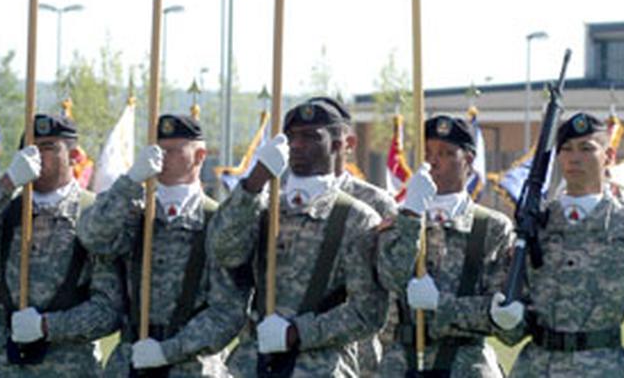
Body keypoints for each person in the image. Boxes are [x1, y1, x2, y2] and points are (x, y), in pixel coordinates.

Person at [490, 112, 624, 377]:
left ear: (609, 157)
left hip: (605, 368)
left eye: (586, 148)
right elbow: (511, 333)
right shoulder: (535, 228)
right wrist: (506, 318)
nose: (573, 158)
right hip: (537, 368)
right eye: (566, 149)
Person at [209, 99, 387, 377]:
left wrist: (296, 333)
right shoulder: (264, 207)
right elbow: (225, 251)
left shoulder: (357, 218)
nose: (297, 145)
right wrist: (255, 181)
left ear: (339, 145)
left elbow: (368, 312)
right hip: (252, 363)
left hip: (321, 366)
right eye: (292, 137)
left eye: (311, 137)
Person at [0, 114, 121, 377]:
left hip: (70, 364)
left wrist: (48, 326)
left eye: (49, 147)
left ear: (74, 155)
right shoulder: (1, 210)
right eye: (30, 148)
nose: (38, 155)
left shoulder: (94, 214)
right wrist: (6, 184)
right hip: (3, 362)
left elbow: (109, 310)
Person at [78, 114, 246, 376]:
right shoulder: (135, 214)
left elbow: (228, 312)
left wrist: (169, 350)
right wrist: (131, 180)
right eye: (158, 149)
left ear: (200, 156)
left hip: (193, 365)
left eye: (173, 151)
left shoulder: (216, 222)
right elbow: (92, 236)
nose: (162, 158)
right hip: (131, 361)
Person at [377, 114, 514, 377]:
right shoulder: (400, 221)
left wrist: (441, 305)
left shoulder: (492, 228)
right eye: (427, 152)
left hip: (466, 364)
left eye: (446, 153)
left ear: (469, 161)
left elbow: (501, 314)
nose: (433, 161)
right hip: (402, 363)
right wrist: (412, 216)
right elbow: (389, 277)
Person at [308, 95, 396, 377]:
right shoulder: (279, 200)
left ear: (348, 143)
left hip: (357, 354)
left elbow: (390, 287)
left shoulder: (376, 203)